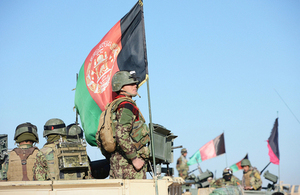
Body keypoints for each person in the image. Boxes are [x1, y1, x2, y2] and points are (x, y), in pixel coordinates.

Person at [103, 70, 150, 179]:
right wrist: (134, 158)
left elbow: (101, 138)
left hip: (117, 162)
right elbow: (121, 133)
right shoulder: (127, 105)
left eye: (135, 83)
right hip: (129, 167)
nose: (135, 85)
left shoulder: (112, 107)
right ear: (121, 87)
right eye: (131, 84)